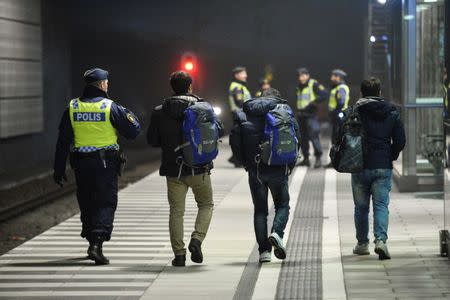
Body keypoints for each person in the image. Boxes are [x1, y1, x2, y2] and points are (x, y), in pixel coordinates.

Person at [53, 67, 141, 265]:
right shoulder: (109, 107)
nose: (107, 85)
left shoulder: (73, 107)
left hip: (81, 164)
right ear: (102, 85)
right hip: (105, 164)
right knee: (105, 202)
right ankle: (97, 245)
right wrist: (129, 114)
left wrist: (58, 169)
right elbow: (133, 131)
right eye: (107, 82)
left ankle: (91, 239)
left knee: (87, 201)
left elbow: (62, 141)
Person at [147, 71, 223, 267]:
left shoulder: (159, 110)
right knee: (206, 205)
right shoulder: (202, 107)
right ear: (190, 86)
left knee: (176, 212)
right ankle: (196, 240)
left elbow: (152, 141)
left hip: (174, 170)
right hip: (200, 168)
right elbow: (219, 131)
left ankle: (179, 255)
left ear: (172, 87)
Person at [230, 88, 300, 263]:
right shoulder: (285, 111)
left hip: (256, 170)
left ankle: (264, 252)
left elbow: (235, 142)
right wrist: (289, 165)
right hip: (279, 168)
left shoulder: (244, 113)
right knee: (282, 205)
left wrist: (246, 163)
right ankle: (277, 233)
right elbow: (296, 139)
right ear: (276, 97)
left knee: (260, 211)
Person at [351, 77, 405, 260]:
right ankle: (381, 240)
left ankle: (362, 244)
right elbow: (400, 140)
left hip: (359, 164)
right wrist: (391, 155)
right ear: (380, 92)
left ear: (361, 92)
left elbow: (342, 136)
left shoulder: (355, 110)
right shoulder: (391, 111)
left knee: (361, 207)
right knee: (381, 205)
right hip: (382, 164)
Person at [295, 68, 327, 168]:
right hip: (301, 115)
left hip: (311, 115)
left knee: (314, 136)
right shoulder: (299, 86)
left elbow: (324, 94)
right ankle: (306, 159)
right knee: (303, 138)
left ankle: (318, 159)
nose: (301, 78)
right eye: (299, 76)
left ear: (307, 75)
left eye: (303, 75)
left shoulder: (313, 84)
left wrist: (313, 103)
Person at [228, 66, 252, 167]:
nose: (245, 75)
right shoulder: (237, 87)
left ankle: (235, 158)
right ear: (236, 75)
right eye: (243, 73)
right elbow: (240, 102)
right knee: (239, 138)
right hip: (239, 115)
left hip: (240, 115)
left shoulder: (240, 86)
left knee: (239, 138)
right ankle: (237, 160)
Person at [327, 69, 350, 167]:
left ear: (339, 77)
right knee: (336, 138)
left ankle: (338, 161)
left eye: (334, 76)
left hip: (339, 116)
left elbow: (341, 102)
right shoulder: (336, 87)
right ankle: (336, 160)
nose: (331, 78)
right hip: (337, 116)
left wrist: (335, 112)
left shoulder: (341, 88)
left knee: (337, 139)